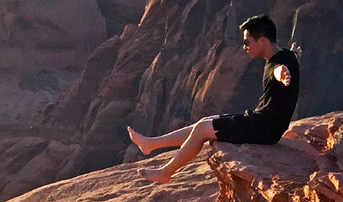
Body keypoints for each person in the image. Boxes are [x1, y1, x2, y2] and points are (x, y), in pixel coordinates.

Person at [127, 14, 300, 182]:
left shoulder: (276, 65)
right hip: (261, 123)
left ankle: (165, 173)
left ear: (262, 40)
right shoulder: (286, 55)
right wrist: (294, 56)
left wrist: (282, 74)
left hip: (263, 130)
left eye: (247, 42)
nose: (244, 47)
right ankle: (151, 144)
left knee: (203, 129)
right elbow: (288, 62)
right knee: (204, 122)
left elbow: (278, 70)